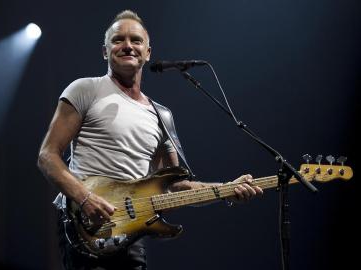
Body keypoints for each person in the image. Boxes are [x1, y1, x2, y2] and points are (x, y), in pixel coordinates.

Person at [37, 10, 263, 270]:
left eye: (135, 40)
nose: (127, 46)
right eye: (118, 40)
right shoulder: (85, 89)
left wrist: (227, 190)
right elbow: (48, 156)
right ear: (104, 51)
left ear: (148, 52)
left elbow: (175, 186)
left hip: (131, 236)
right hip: (87, 228)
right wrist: (85, 198)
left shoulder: (162, 115)